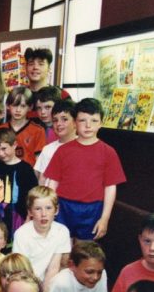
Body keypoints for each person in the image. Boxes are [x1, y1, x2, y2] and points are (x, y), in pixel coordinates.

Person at [45, 97, 126, 240]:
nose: (88, 125)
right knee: (62, 247)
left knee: (86, 251)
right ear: (75, 122)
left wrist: (105, 218)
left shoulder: (108, 152)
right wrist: (49, 208)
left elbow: (110, 187)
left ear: (101, 123)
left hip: (93, 209)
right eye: (83, 120)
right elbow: (52, 183)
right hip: (63, 206)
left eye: (94, 120)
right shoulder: (63, 150)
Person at [0, 127, 38, 243]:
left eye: (4, 149)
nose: (1, 154)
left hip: (18, 217)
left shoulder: (26, 169)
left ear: (14, 145)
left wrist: (29, 218)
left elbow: (32, 198)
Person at [12, 186, 71, 286]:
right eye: (38, 209)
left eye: (48, 208)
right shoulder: (22, 234)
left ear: (56, 210)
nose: (44, 214)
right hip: (26, 281)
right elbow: (21, 270)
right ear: (30, 212)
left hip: (49, 281)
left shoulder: (62, 231)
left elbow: (54, 268)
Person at [0, 85, 46, 167]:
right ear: (7, 105)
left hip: (28, 175)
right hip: (4, 175)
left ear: (30, 107)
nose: (18, 110)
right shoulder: (0, 130)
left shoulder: (38, 131)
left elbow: (40, 162)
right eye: (15, 105)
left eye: (23, 106)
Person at [35, 99, 76, 185]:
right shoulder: (48, 149)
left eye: (64, 119)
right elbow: (42, 179)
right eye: (55, 120)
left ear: (75, 122)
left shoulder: (84, 146)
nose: (59, 124)